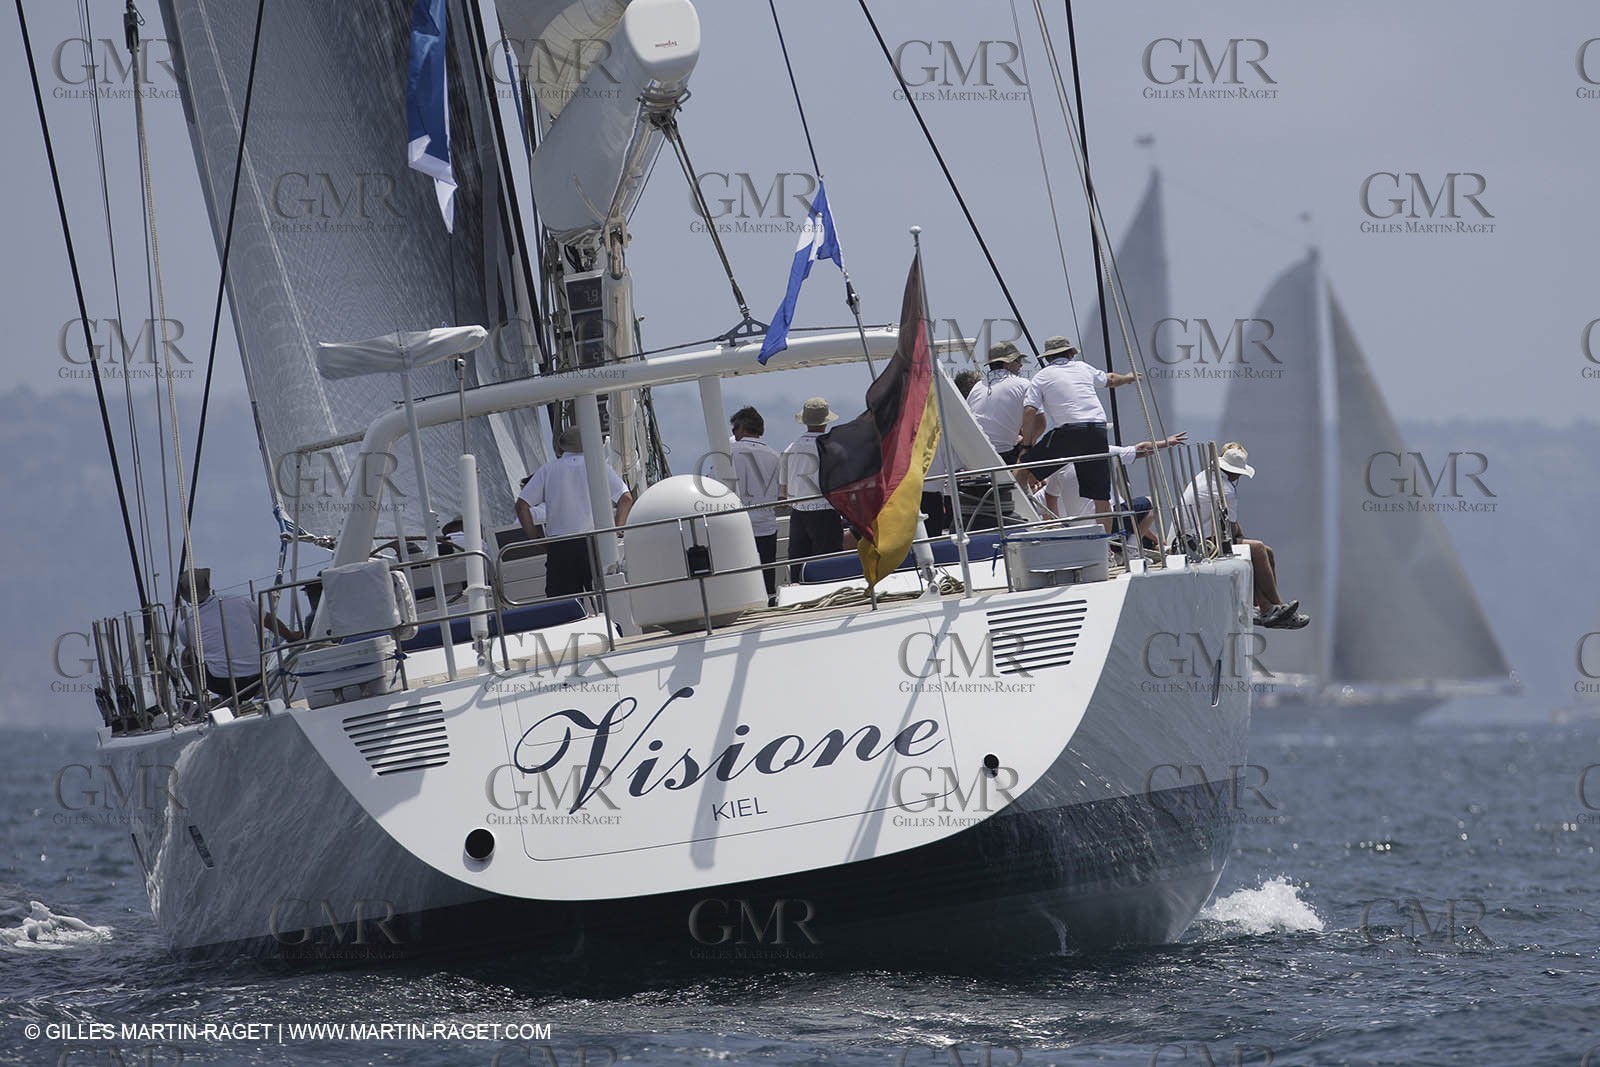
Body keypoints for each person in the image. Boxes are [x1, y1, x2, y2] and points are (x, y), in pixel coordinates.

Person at [1177, 442, 1307, 629]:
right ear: (1235, 472)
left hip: (1194, 536)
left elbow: (1229, 524)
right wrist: (1243, 538)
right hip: (1200, 542)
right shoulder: (1226, 489)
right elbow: (1230, 527)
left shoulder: (1206, 476)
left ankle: (1267, 607)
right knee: (1259, 549)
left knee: (1264, 551)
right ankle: (1275, 607)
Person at [1021, 334, 1140, 533]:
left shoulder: (1041, 376)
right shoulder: (1083, 367)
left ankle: (1016, 516)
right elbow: (1110, 379)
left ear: (1048, 358)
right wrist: (1128, 377)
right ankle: (1106, 547)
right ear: (1070, 353)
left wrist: (1026, 445)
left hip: (1069, 432)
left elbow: (1029, 409)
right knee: (1101, 496)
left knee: (1023, 470)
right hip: (1097, 430)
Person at [516, 426, 634, 597]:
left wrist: (538, 541)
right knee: (605, 600)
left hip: (560, 547)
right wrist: (615, 531)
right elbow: (626, 499)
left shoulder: (548, 470)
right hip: (595, 543)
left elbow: (521, 506)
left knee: (564, 607)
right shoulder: (598, 467)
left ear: (563, 446)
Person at [175, 568, 301, 700]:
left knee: (187, 655)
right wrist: (291, 636)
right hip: (258, 677)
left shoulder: (186, 625)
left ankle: (202, 699)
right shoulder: (240, 601)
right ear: (208, 585)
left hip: (224, 684)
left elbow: (194, 652)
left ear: (184, 596)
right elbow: (268, 619)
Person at [781, 397, 845, 583]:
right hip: (825, 512)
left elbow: (783, 488)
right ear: (826, 422)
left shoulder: (790, 449)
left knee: (798, 567)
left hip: (799, 514)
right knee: (829, 566)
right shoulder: (833, 448)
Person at [730, 405, 782, 605]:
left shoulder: (728, 452)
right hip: (766, 526)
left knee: (740, 579)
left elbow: (711, 484)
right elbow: (782, 494)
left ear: (742, 429)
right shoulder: (775, 456)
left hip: (737, 527)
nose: (734, 434)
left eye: (735, 429)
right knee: (767, 581)